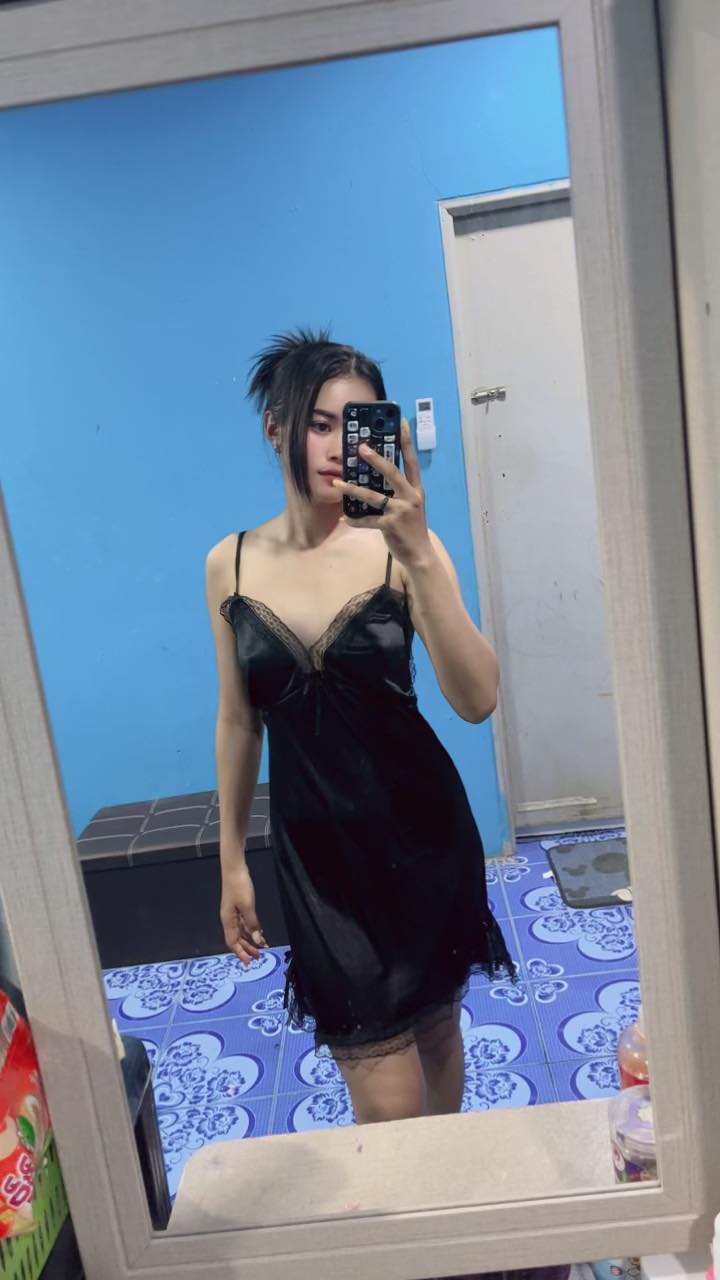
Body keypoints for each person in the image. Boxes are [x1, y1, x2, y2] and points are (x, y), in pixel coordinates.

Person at [205, 329, 514, 1125]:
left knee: (438, 1041)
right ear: (275, 427)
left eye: (355, 426)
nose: (339, 448)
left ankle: (447, 1201)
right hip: (320, 864)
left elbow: (477, 698)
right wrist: (232, 860)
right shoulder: (229, 565)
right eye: (318, 424)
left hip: (423, 837)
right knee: (390, 1109)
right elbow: (238, 720)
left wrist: (419, 554)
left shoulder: (402, 549)